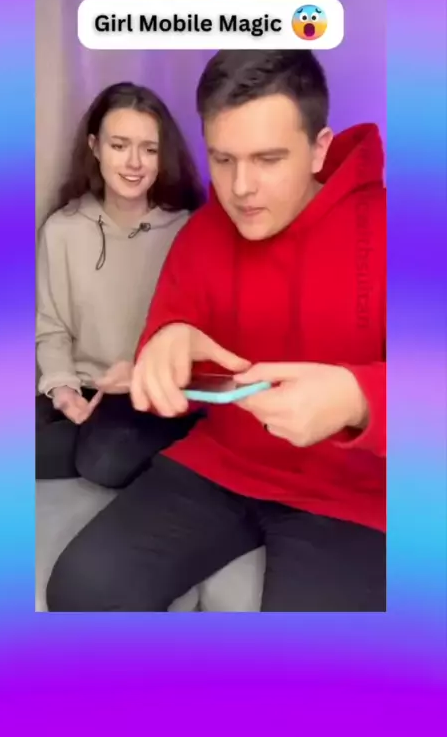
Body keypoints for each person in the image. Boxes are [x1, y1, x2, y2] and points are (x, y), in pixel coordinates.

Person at [46, 50, 386, 612]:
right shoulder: (202, 232)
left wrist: (360, 398)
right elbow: (168, 350)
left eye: (268, 159)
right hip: (220, 464)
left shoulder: (395, 228)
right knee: (83, 589)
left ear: (319, 147)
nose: (240, 187)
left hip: (351, 494)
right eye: (222, 159)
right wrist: (165, 344)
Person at [36, 82, 205, 487]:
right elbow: (52, 329)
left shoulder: (188, 230)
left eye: (149, 149)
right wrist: (62, 389)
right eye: (119, 145)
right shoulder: (62, 230)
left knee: (105, 461)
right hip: (82, 388)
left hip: (148, 395)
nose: (134, 163)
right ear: (94, 147)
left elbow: (199, 335)